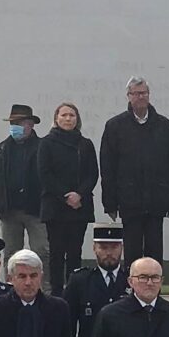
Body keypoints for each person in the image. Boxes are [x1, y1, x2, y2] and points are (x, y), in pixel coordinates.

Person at [100, 75, 169, 267]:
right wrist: (110, 203)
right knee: (132, 252)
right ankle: (132, 284)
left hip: (157, 200)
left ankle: (154, 284)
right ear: (128, 96)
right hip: (129, 200)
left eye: (144, 93)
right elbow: (108, 168)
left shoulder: (164, 126)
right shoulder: (115, 126)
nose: (141, 97)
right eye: (136, 93)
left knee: (155, 251)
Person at [39, 101, 101, 277]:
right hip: (55, 207)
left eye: (72, 115)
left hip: (79, 207)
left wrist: (79, 194)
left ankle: (74, 288)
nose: (68, 119)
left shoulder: (85, 144)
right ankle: (57, 289)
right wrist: (65, 196)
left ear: (77, 119)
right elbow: (45, 174)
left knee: (75, 252)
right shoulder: (46, 143)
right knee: (56, 253)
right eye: (64, 115)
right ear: (56, 119)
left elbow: (92, 174)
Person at [0, 103, 45, 261]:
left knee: (42, 252)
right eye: (13, 123)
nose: (15, 127)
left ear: (30, 125)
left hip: (36, 211)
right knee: (11, 254)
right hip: (9, 211)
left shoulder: (42, 147)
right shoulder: (1, 149)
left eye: (19, 123)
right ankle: (11, 278)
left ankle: (43, 279)